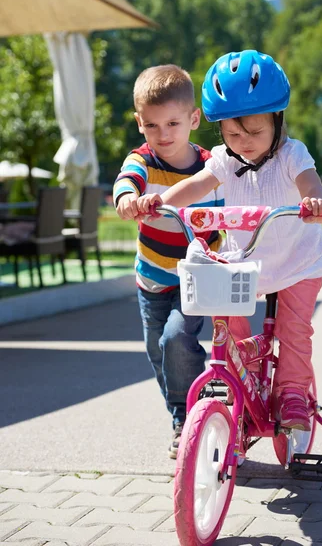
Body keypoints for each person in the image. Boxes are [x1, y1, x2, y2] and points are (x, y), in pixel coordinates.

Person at [136, 50, 322, 432]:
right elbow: (195, 184)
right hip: (245, 261)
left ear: (277, 121)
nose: (243, 141)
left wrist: (315, 200)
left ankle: (292, 391)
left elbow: (310, 182)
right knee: (225, 322)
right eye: (231, 133)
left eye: (255, 132)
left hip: (298, 264)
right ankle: (242, 385)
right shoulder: (225, 160)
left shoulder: (292, 154)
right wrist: (160, 202)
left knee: (293, 330)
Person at [113, 64, 224, 457]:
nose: (163, 135)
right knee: (156, 350)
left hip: (196, 277)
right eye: (152, 126)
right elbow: (126, 181)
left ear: (194, 119)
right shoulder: (143, 160)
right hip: (153, 277)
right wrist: (128, 200)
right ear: (140, 124)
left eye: (173, 123)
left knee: (176, 338)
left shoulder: (213, 166)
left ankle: (186, 414)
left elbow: (237, 205)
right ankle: (185, 405)